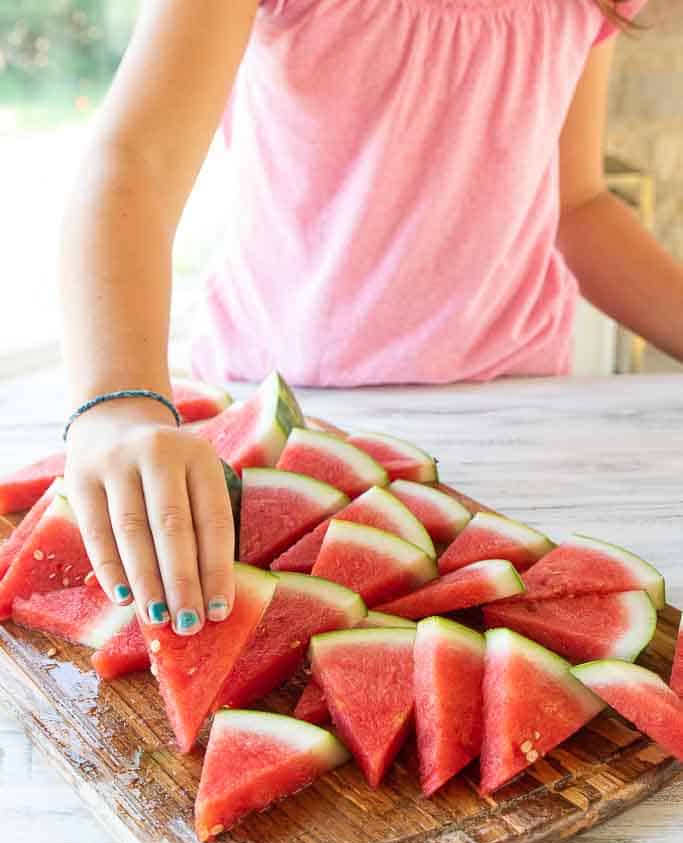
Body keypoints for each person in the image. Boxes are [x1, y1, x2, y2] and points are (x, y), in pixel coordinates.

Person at [60, 0, 682, 638]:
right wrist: (118, 405)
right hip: (287, 422)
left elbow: (577, 202)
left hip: (520, 431)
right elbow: (138, 162)